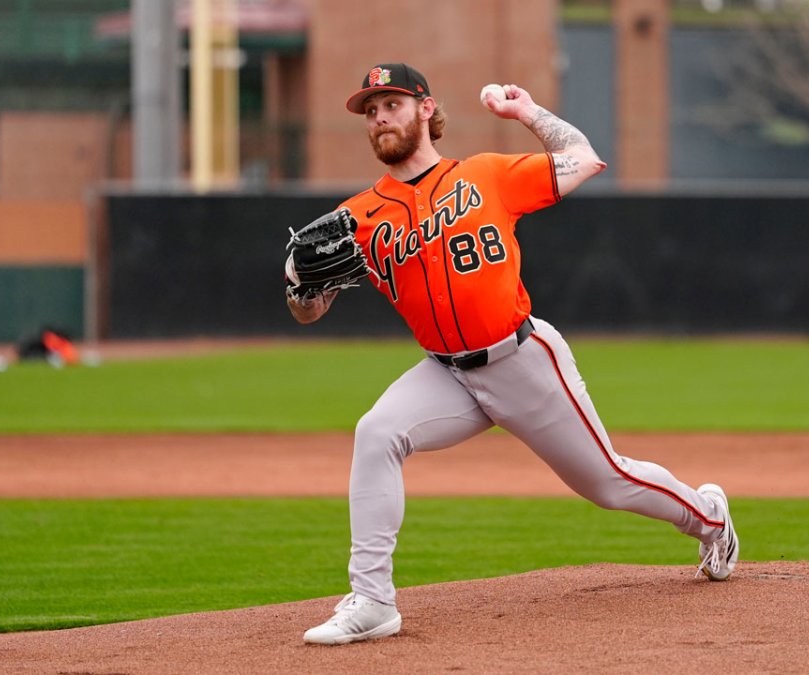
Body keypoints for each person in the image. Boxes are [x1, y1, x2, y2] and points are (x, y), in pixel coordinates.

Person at [288, 63, 738, 646]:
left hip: (521, 359)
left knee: (608, 483)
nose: (379, 118)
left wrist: (526, 114)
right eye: (370, 111)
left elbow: (585, 158)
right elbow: (312, 312)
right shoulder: (358, 219)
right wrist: (300, 289)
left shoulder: (485, 176)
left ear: (426, 109)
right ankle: (373, 601)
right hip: (446, 373)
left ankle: (710, 518)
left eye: (391, 104)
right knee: (376, 433)